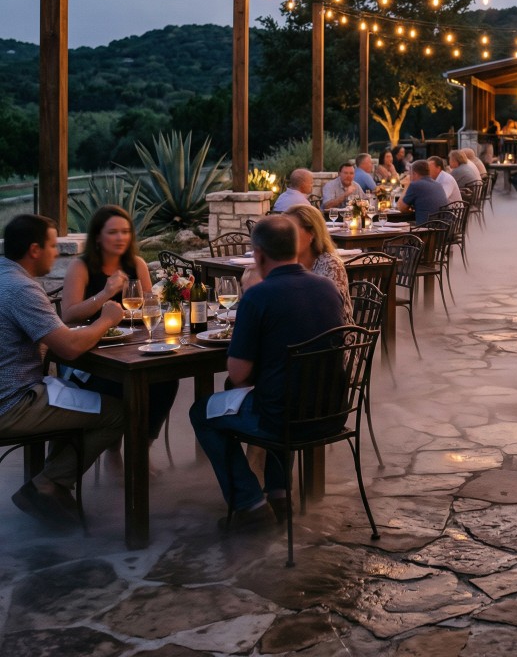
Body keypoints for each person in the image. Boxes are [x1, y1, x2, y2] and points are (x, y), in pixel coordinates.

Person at [190, 216, 346, 531]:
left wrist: (249, 295)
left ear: (258, 255)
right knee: (280, 391)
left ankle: (250, 504)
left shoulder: (259, 296)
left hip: (283, 418)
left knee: (201, 412)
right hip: (332, 412)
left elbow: (237, 374)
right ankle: (278, 493)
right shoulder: (327, 287)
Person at [1, 214, 125, 528]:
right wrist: (106, 320)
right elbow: (68, 347)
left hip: (16, 393)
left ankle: (50, 487)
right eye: (53, 246)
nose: (56, 252)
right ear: (34, 249)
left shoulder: (5, 276)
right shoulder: (20, 289)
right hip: (13, 404)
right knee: (120, 412)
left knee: (77, 395)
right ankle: (48, 484)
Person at [61, 205, 178, 451]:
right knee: (120, 387)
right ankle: (113, 453)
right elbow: (68, 315)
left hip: (130, 347)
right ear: (97, 237)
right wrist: (106, 293)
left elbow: (149, 307)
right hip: (90, 357)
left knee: (166, 380)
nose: (120, 237)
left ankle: (140, 452)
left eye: (125, 232)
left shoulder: (137, 264)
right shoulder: (80, 267)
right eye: (113, 232)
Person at [398, 160, 450, 225]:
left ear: (414, 174)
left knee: (400, 227)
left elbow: (401, 208)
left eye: (410, 174)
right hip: (443, 229)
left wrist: (407, 185)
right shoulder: (438, 185)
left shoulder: (415, 185)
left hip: (427, 230)